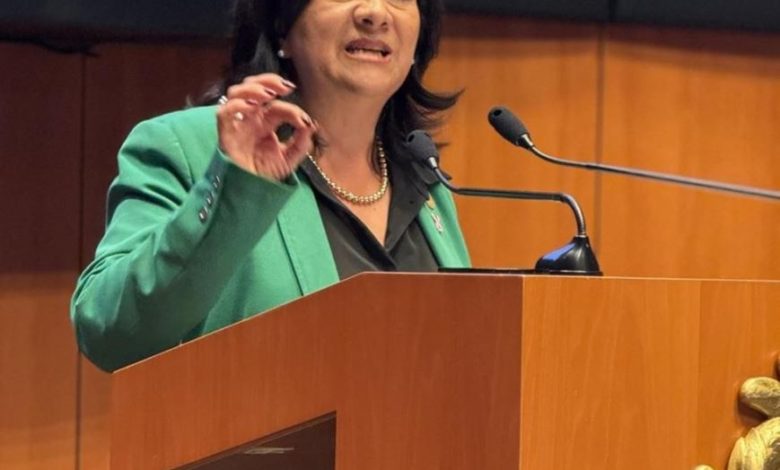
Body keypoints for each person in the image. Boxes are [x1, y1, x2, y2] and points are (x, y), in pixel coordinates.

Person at [71, 0, 471, 372]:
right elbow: (108, 333)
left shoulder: (422, 176)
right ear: (282, 27)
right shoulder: (191, 148)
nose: (374, 13)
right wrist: (236, 190)